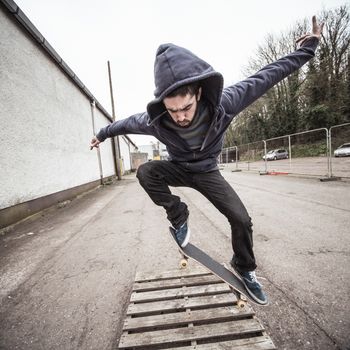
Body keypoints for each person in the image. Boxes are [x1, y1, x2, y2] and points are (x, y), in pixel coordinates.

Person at [90, 16, 324, 305]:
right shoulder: (156, 121)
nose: (180, 116)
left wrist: (308, 48)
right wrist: (102, 133)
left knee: (241, 219)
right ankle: (178, 215)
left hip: (207, 172)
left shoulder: (225, 103)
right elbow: (124, 124)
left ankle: (244, 267)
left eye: (186, 108)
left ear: (198, 92)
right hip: (177, 169)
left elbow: (267, 76)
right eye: (173, 110)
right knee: (146, 172)